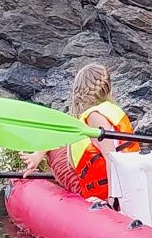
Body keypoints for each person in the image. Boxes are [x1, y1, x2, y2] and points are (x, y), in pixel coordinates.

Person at [25, 62, 133, 198]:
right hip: (124, 183)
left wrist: (112, 198)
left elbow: (111, 158)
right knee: (62, 136)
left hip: (100, 192)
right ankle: (37, 157)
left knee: (57, 143)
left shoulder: (94, 117)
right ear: (109, 87)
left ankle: (39, 157)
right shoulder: (111, 111)